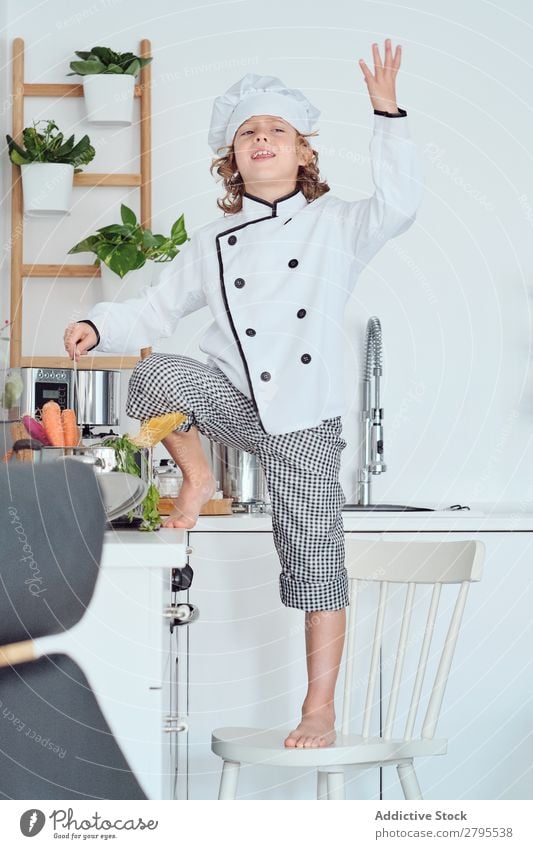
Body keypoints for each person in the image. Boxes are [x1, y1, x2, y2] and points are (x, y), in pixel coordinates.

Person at [64, 38, 423, 749]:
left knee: (316, 561)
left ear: (303, 156)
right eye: (249, 132)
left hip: (301, 423)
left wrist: (387, 114)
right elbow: (152, 311)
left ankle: (316, 706)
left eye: (277, 131)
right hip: (232, 397)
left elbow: (402, 203)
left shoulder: (339, 224)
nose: (262, 138)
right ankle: (196, 477)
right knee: (156, 372)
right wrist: (93, 322)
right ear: (232, 160)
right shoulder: (210, 241)